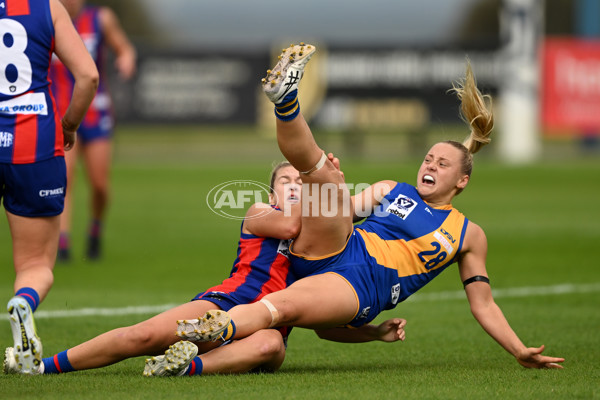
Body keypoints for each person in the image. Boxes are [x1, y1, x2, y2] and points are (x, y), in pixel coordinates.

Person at [177, 43, 565, 370]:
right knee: (321, 173)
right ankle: (286, 101)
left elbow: (484, 305)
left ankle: (208, 334)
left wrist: (518, 351)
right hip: (338, 249)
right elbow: (341, 212)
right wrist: (331, 189)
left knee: (277, 308)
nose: (429, 166)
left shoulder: (469, 235)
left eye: (442, 164)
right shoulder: (389, 189)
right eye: (428, 158)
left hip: (361, 288)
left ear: (461, 181)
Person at [3, 161, 407, 376]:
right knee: (142, 335)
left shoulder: (324, 240)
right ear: (271, 192)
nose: (296, 186)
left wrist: (373, 334)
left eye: (302, 181)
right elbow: (291, 224)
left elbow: (323, 324)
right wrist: (332, 200)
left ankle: (184, 367)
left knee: (272, 348)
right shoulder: (260, 211)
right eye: (288, 181)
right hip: (228, 301)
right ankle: (40, 366)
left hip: (269, 324)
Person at [0, 0, 99, 375]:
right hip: (34, 143)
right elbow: (88, 76)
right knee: (35, 263)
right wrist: (70, 124)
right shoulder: (47, 7)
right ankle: (24, 302)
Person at [50, 0, 136, 261]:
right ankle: (62, 242)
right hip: (60, 113)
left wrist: (126, 59)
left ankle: (95, 228)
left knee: (99, 185)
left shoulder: (100, 18)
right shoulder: (47, 17)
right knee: (63, 180)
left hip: (96, 113)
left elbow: (124, 48)